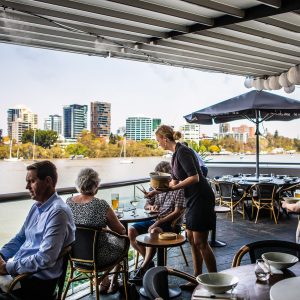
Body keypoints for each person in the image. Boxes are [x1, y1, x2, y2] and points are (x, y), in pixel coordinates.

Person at [0, 160, 75, 300]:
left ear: (47, 181)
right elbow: (20, 238)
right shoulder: (36, 207)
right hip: (20, 273)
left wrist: (6, 267)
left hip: (36, 282)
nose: (27, 186)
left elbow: (45, 258)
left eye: (32, 181)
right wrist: (2, 255)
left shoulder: (58, 213)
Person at [155, 125, 217, 289]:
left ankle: (214, 281)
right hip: (192, 199)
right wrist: (155, 192)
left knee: (200, 241)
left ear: (165, 139)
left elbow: (195, 177)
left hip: (202, 198)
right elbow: (173, 182)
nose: (158, 143)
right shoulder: (174, 156)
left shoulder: (183, 151)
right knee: (191, 238)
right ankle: (196, 278)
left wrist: (173, 188)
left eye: (158, 140)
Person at [66, 168, 126, 294]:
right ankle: (112, 281)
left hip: (75, 257)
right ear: (96, 186)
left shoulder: (68, 202)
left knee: (104, 242)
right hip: (98, 259)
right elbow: (121, 230)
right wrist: (107, 225)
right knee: (124, 243)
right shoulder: (101, 204)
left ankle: (104, 282)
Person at [128, 161, 185, 281]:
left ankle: (143, 268)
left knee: (153, 231)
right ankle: (149, 264)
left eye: (162, 178)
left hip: (171, 224)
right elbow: (147, 205)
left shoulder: (178, 187)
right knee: (131, 230)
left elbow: (178, 212)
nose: (158, 182)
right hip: (154, 220)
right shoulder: (154, 187)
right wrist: (151, 207)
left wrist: (159, 222)